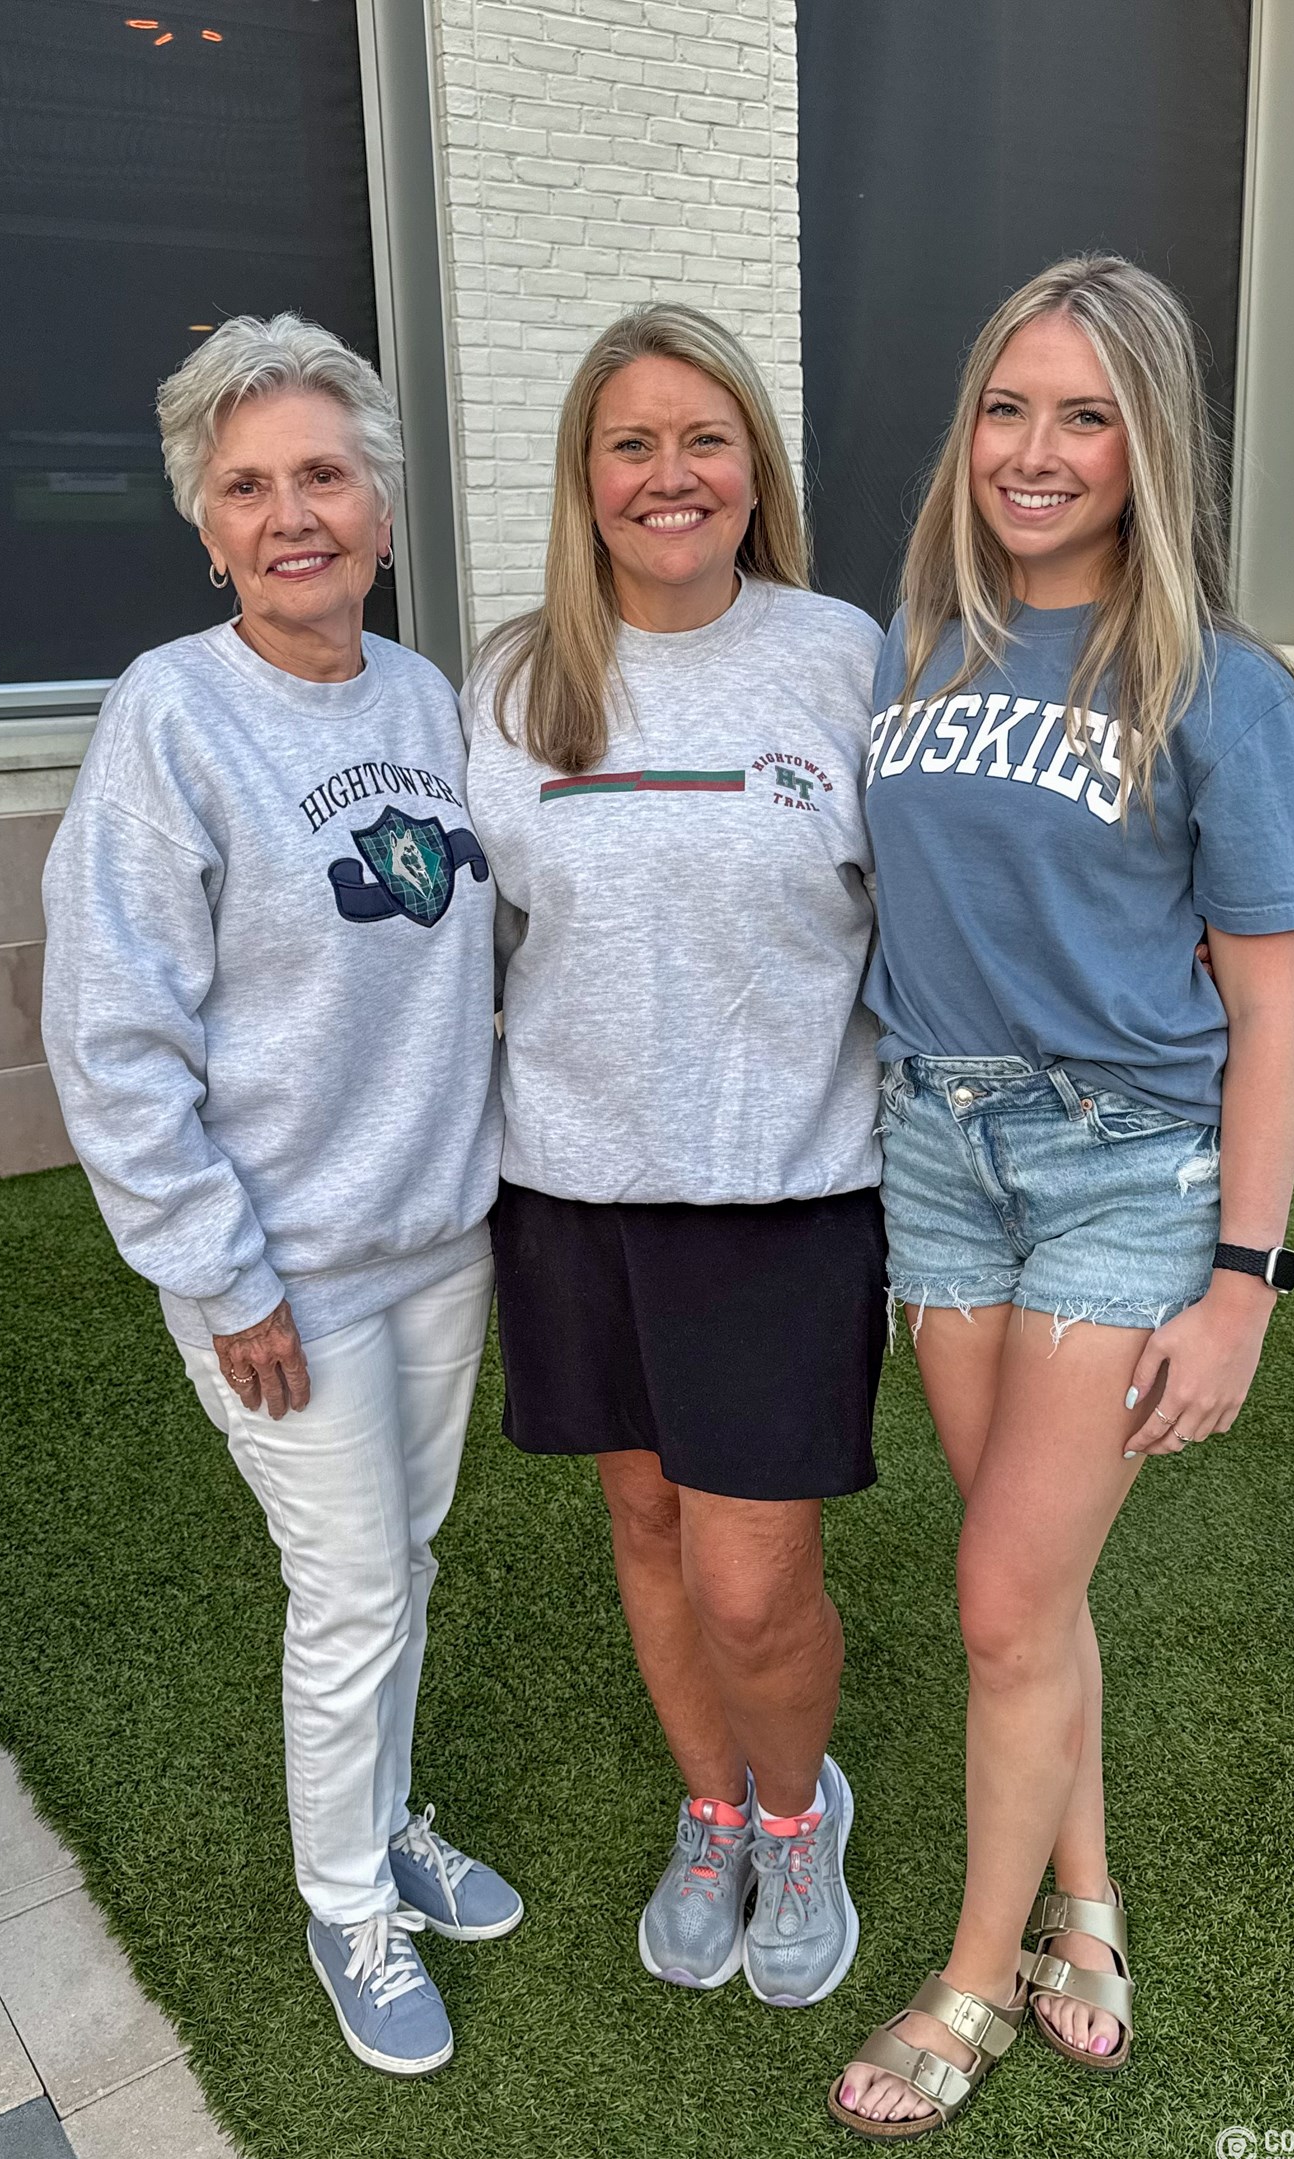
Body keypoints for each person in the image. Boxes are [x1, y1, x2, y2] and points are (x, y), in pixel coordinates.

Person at [830, 256, 1294, 2138]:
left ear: (1153, 446)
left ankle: (975, 1980)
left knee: (999, 1591)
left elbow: (1272, 1005)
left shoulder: (1215, 681)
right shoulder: (916, 641)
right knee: (1022, 1595)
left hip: (1124, 1166)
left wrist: (1244, 1285)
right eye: (1010, 408)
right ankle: (1091, 1906)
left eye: (1087, 416)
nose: (1036, 454)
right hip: (940, 1155)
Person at [41, 313, 521, 2079]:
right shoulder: (171, 717)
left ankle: (383, 1814)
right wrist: (222, 1276)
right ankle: (346, 1902)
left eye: (322, 473)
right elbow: (112, 1036)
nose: (291, 513)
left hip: (436, 1242)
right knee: (355, 1591)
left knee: (403, 1557)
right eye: (248, 488)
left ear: (381, 508)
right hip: (283, 1275)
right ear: (207, 528)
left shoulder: (424, 699)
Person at [465, 306, 885, 2009]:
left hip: (782, 1200)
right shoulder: (509, 680)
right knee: (644, 1522)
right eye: (631, 443)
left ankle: (802, 1811)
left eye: (703, 439)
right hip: (569, 1193)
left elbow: (920, 918)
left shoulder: (844, 654)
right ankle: (710, 1806)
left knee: (751, 1569)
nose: (669, 475)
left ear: (756, 468)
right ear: (584, 475)